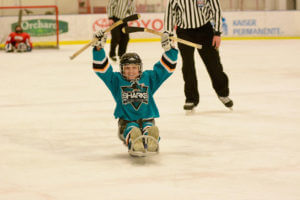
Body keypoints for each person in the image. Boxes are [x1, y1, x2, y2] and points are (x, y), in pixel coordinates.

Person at [91, 29, 178, 154]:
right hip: (127, 121)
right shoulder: (116, 80)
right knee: (132, 130)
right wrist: (99, 48)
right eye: (127, 68)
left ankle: (152, 139)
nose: (130, 71)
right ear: (121, 69)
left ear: (140, 68)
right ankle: (135, 141)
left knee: (149, 128)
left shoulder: (148, 78)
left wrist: (170, 49)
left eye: (134, 68)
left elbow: (165, 69)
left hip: (147, 118)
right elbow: (102, 70)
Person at [164, 0, 233, 110]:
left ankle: (223, 93)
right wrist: (167, 33)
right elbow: (170, 13)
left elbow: (216, 10)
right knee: (188, 66)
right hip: (184, 32)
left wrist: (217, 33)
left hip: (204, 30)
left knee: (213, 64)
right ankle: (191, 98)